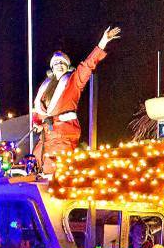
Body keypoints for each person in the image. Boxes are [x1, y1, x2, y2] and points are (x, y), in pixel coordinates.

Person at [32, 26, 120, 174]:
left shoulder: (73, 82)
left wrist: (103, 42)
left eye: (62, 63)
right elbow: (38, 112)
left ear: (67, 67)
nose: (59, 65)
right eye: (56, 63)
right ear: (52, 68)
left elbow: (88, 65)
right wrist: (37, 123)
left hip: (63, 135)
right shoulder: (45, 88)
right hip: (45, 138)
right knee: (34, 165)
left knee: (54, 170)